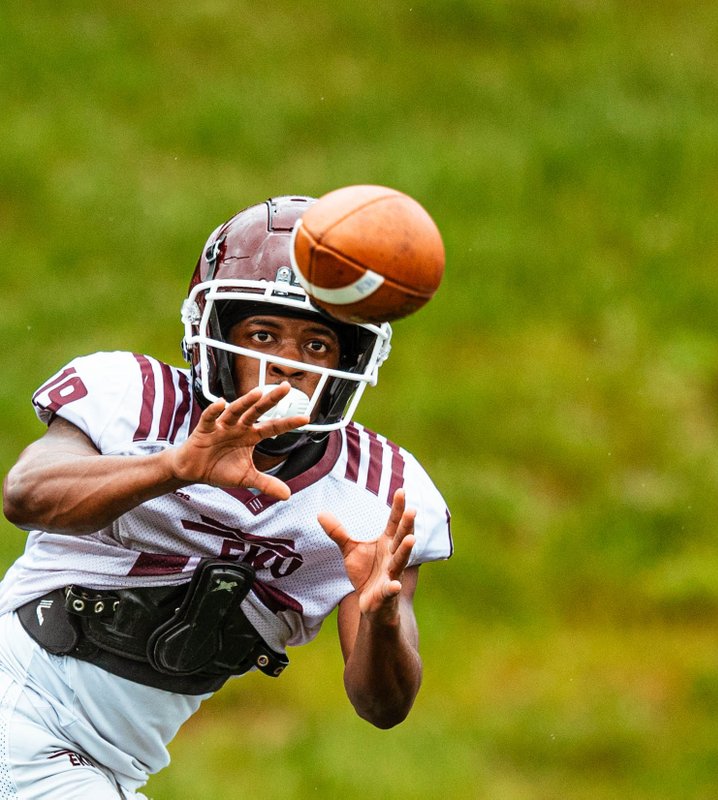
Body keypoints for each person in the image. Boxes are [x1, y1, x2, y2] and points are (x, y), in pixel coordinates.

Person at [0, 195, 453, 799]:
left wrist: (380, 617)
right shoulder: (138, 399)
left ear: (353, 359)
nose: (288, 364)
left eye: (317, 345)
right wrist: (173, 468)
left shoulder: (375, 494)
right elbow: (25, 494)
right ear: (213, 337)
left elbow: (382, 706)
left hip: (110, 767)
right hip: (18, 710)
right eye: (263, 334)